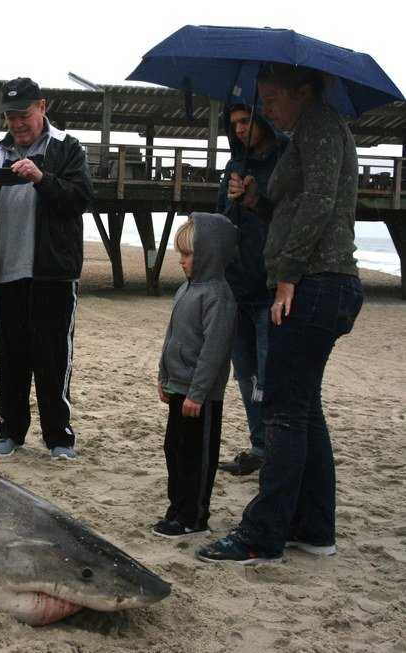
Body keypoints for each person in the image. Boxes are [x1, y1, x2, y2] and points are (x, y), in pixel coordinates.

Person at [198, 64, 364, 564]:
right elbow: (292, 210)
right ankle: (314, 528)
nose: (265, 108)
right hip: (315, 281)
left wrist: (288, 275)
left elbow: (320, 205)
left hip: (315, 283)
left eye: (272, 99)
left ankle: (263, 535)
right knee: (304, 411)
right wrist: (253, 199)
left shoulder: (321, 127)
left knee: (284, 413)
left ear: (303, 91)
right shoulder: (307, 133)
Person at [0, 77, 93, 461]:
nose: (17, 124)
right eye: (11, 117)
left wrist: (41, 179)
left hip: (53, 272)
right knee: (11, 359)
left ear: (42, 108)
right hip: (6, 273)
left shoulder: (67, 147)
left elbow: (81, 198)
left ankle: (59, 437)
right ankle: (10, 431)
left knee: (53, 359)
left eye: (24, 115)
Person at [215, 102, 288, 476]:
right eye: (235, 124)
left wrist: (256, 199)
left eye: (246, 121)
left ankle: (277, 450)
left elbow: (293, 219)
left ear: (263, 119)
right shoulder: (233, 165)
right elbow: (220, 223)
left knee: (271, 375)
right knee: (246, 375)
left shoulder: (285, 159)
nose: (240, 129)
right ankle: (259, 446)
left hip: (272, 287)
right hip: (237, 287)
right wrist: (231, 200)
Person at [155, 214, 237, 538]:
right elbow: (171, 336)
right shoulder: (185, 290)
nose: (182, 261)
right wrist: (163, 376)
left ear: (208, 255)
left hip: (200, 397)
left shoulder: (218, 295)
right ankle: (176, 507)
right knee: (173, 449)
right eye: (181, 254)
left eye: (187, 255)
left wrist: (198, 393)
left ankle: (193, 515)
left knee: (196, 457)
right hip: (177, 388)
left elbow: (214, 351)